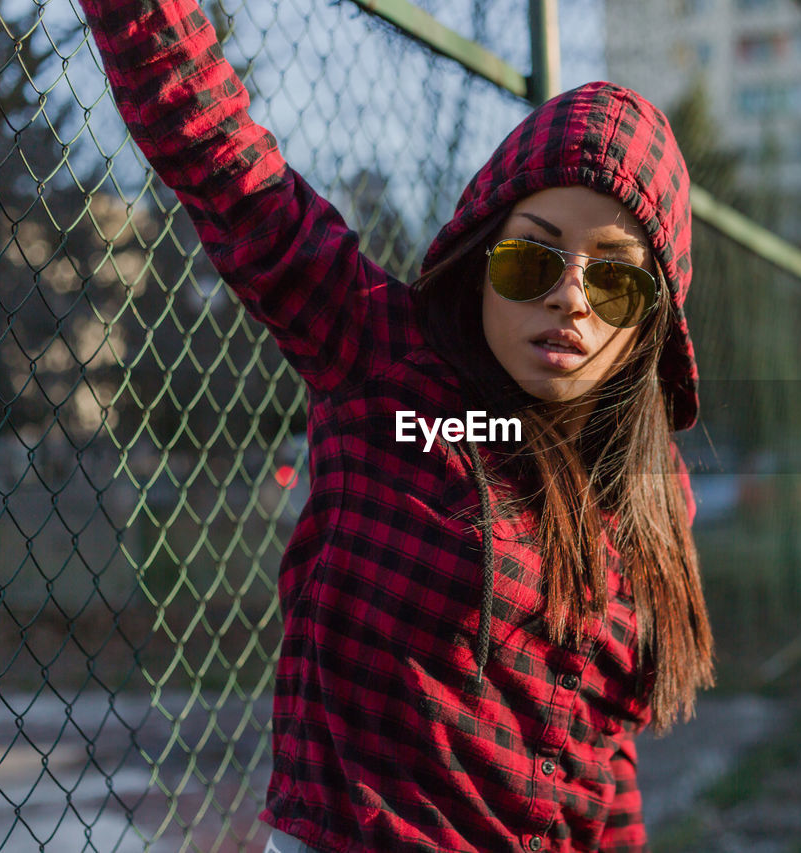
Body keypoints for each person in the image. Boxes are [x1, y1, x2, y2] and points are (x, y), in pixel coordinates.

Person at [78, 1, 715, 851]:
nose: (570, 298)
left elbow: (602, 762)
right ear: (484, 251)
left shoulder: (648, 487)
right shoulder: (383, 361)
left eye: (617, 283)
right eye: (534, 256)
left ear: (649, 326)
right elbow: (219, 154)